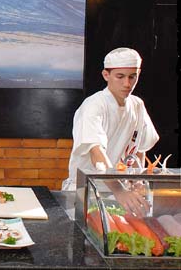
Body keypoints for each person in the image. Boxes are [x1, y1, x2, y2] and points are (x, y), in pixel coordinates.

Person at [62, 47, 159, 215]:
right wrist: (119, 190)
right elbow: (96, 153)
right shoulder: (94, 105)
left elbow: (139, 149)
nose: (127, 84)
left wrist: (137, 180)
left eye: (132, 77)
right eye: (120, 77)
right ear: (106, 75)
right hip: (88, 192)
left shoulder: (137, 105)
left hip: (121, 194)